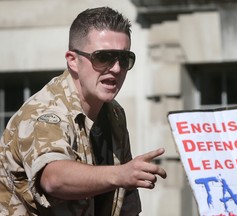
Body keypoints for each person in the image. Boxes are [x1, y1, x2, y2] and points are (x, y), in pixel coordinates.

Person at [0, 6, 167, 216]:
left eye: (124, 59)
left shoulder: (114, 114)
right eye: (103, 57)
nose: (116, 68)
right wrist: (120, 174)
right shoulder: (46, 111)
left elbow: (125, 204)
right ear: (72, 60)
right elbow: (54, 178)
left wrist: (125, 177)